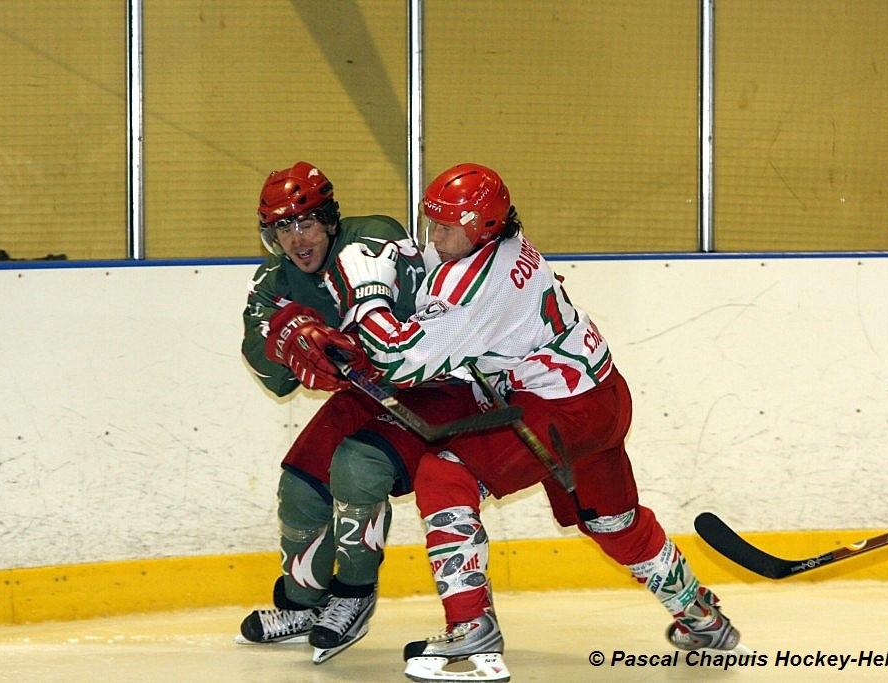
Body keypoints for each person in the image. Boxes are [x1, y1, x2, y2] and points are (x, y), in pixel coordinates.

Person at [324, 163, 744, 681]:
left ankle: (471, 626)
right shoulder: (503, 244)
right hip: (601, 397)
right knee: (612, 521)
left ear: (481, 226)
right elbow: (444, 293)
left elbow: (398, 360)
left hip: (559, 411)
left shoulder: (475, 284)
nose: (435, 236)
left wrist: (369, 296)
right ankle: (702, 616)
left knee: (444, 474)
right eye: (431, 222)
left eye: (446, 226)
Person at [238, 161, 484, 663]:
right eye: (283, 228)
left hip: (438, 384)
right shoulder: (274, 281)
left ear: (330, 219)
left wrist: (339, 338)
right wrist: (287, 342)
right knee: (301, 484)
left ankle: (353, 594)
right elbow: (269, 371)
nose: (296, 239)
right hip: (371, 391)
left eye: (306, 222)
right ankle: (304, 603)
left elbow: (398, 323)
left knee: (356, 468)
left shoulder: (371, 238)